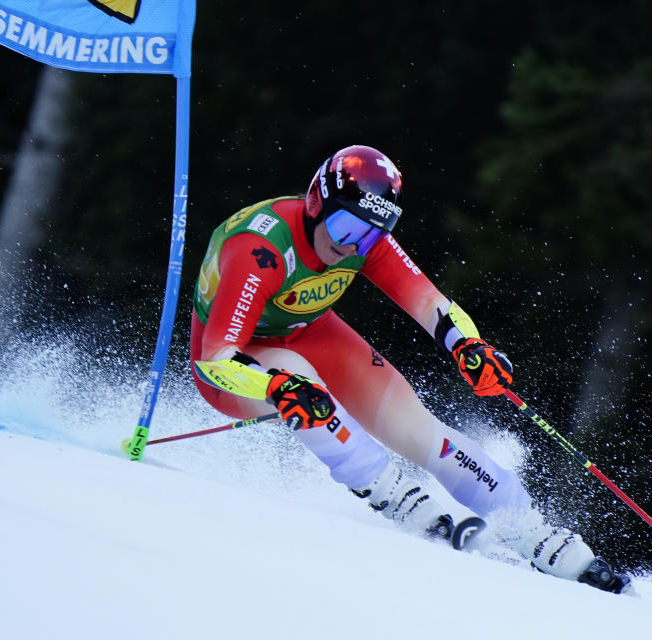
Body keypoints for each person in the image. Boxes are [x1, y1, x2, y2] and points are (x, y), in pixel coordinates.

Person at [189, 144, 628, 592]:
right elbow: (215, 357)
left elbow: (429, 301)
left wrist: (468, 347)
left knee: (421, 430)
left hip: (312, 333)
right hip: (235, 369)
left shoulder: (365, 239)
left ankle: (538, 535)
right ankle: (394, 496)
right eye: (344, 226)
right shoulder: (260, 249)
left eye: (367, 236)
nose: (350, 245)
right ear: (317, 202)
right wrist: (277, 386)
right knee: (301, 380)